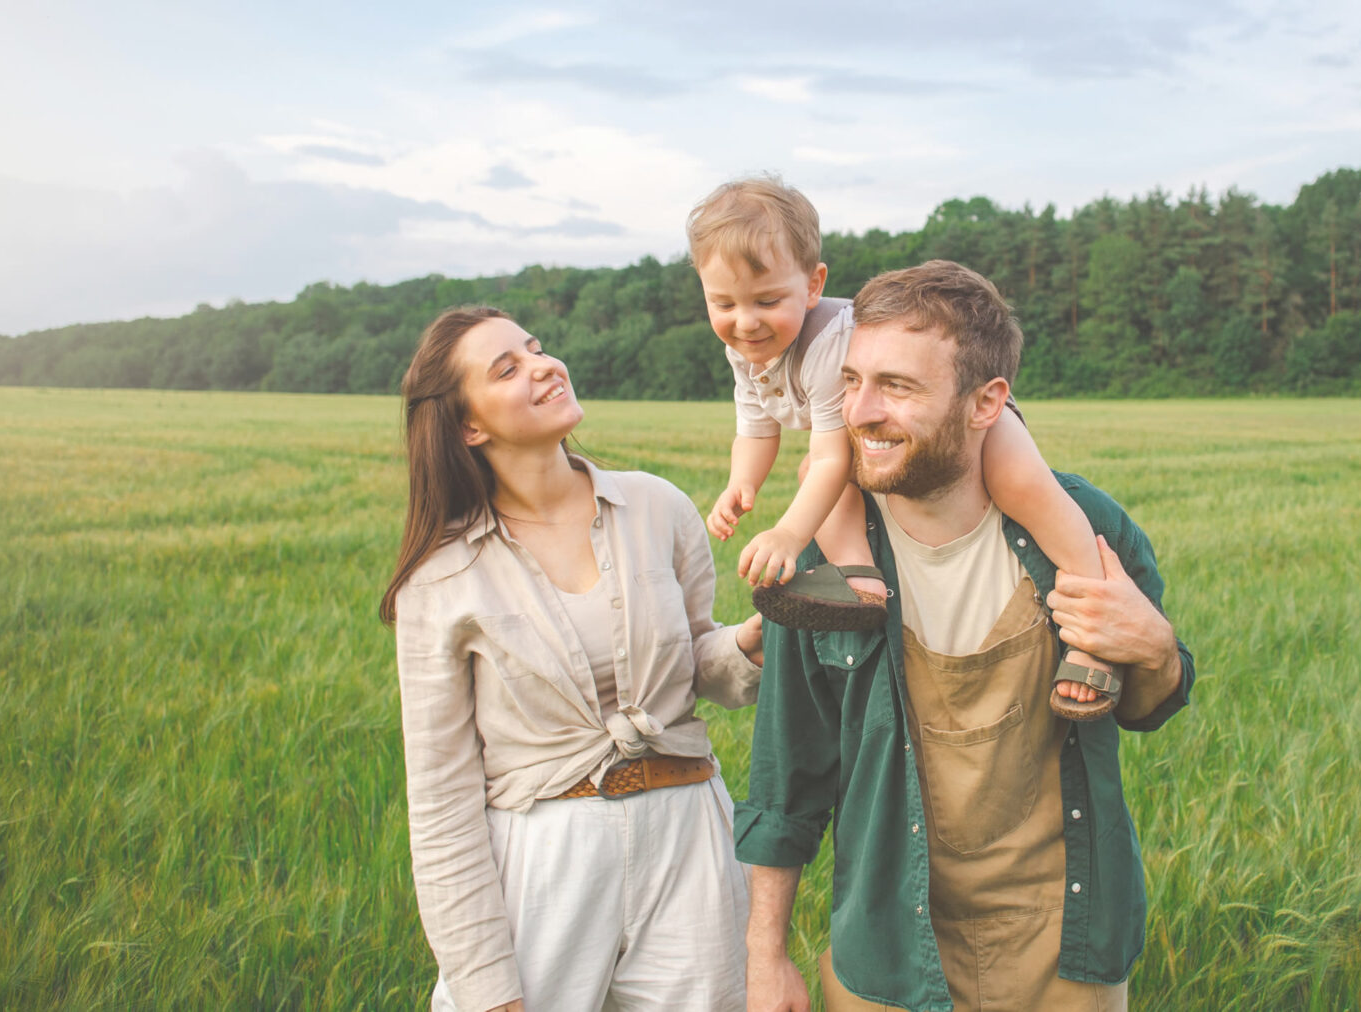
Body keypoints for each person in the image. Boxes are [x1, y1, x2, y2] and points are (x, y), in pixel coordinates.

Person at [734, 262, 1196, 1011]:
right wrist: (766, 955)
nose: (860, 412)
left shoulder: (1084, 529)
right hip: (886, 951)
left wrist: (1155, 649)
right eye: (850, 381)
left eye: (897, 386)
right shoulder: (818, 564)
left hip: (1066, 945)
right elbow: (787, 774)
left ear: (987, 402)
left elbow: (1149, 704)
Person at [380, 306, 765, 1012]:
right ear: (469, 427)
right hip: (544, 863)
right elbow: (441, 798)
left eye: (536, 349)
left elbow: (695, 658)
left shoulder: (657, 505)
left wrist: (749, 645)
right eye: (508, 369)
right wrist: (483, 982)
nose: (543, 366)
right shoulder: (440, 578)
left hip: (689, 839)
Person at [689, 175, 1125, 720]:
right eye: (723, 303)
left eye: (767, 300)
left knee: (1026, 488)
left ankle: (1095, 627)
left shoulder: (824, 345)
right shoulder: (746, 346)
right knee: (811, 473)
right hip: (875, 429)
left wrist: (788, 534)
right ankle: (861, 580)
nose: (745, 321)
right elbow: (755, 427)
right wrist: (742, 483)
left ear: (814, 285)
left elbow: (832, 458)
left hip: (966, 414)